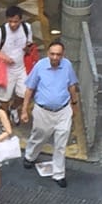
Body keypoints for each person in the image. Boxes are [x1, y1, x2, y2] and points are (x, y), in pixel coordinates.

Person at [21, 37, 78, 183]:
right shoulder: (40, 66)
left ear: (63, 55)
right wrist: (24, 109)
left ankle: (59, 174)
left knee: (60, 145)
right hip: (43, 111)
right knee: (39, 136)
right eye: (52, 54)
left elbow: (72, 85)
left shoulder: (67, 66)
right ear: (48, 53)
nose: (55, 57)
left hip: (63, 111)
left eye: (58, 54)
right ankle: (30, 156)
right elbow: (29, 88)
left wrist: (74, 103)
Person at [0, 4, 34, 107]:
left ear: (21, 20)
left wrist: (27, 49)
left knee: (24, 94)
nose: (13, 24)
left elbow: (30, 44)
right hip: (5, 70)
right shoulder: (0, 33)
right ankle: (5, 118)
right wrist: (5, 58)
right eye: (10, 21)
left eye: (16, 21)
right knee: (3, 99)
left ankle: (13, 108)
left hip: (21, 68)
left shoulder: (27, 28)